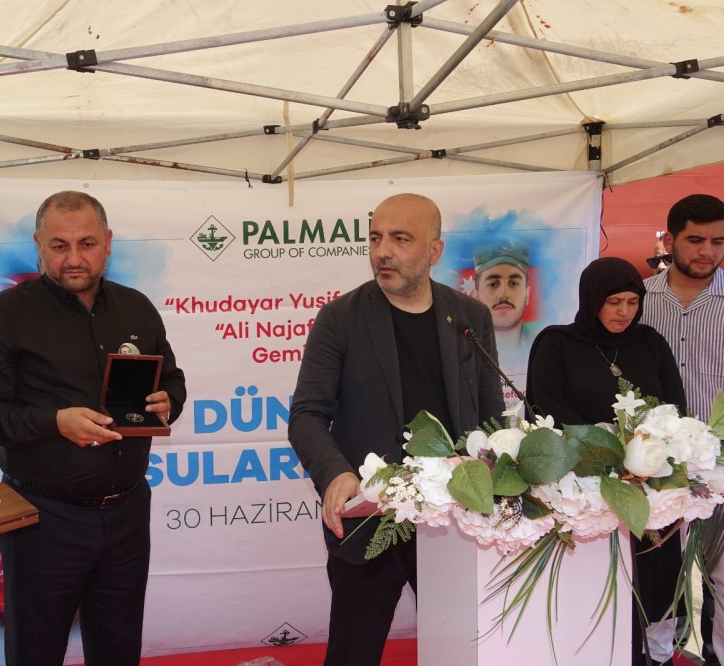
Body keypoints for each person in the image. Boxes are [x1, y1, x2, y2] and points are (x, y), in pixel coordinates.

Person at [0, 190, 187, 666]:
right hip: (42, 517)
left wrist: (169, 401)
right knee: (36, 652)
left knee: (119, 650)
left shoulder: (136, 307)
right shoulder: (4, 314)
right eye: (59, 245)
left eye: (86, 244)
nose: (73, 259)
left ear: (107, 243)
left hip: (127, 512)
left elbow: (172, 379)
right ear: (38, 245)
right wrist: (54, 423)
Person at [288, 193, 505, 666]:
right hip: (370, 517)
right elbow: (306, 415)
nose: (382, 251)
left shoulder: (470, 317)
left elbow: (492, 417)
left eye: (400, 239)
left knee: (464, 653)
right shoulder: (340, 319)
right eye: (375, 238)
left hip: (454, 521)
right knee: (354, 654)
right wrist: (336, 474)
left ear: (434, 251)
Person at [526, 256, 687, 666]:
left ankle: (656, 655)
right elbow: (546, 409)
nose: (624, 312)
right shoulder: (556, 343)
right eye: (613, 301)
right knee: (603, 595)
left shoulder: (649, 342)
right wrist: (608, 453)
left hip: (649, 488)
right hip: (586, 490)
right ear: (591, 298)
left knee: (655, 584)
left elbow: (674, 406)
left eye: (633, 302)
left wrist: (648, 453)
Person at [639, 193, 724, 665]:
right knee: (657, 567)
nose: (707, 251)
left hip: (720, 463)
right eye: (695, 240)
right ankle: (655, 653)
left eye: (718, 241)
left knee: (722, 573)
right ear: (669, 241)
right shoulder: (636, 300)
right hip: (652, 464)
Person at [472, 238, 541, 371]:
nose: (503, 295)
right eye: (493, 284)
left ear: (527, 295)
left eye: (514, 283)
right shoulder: (461, 350)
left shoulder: (541, 347)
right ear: (476, 296)